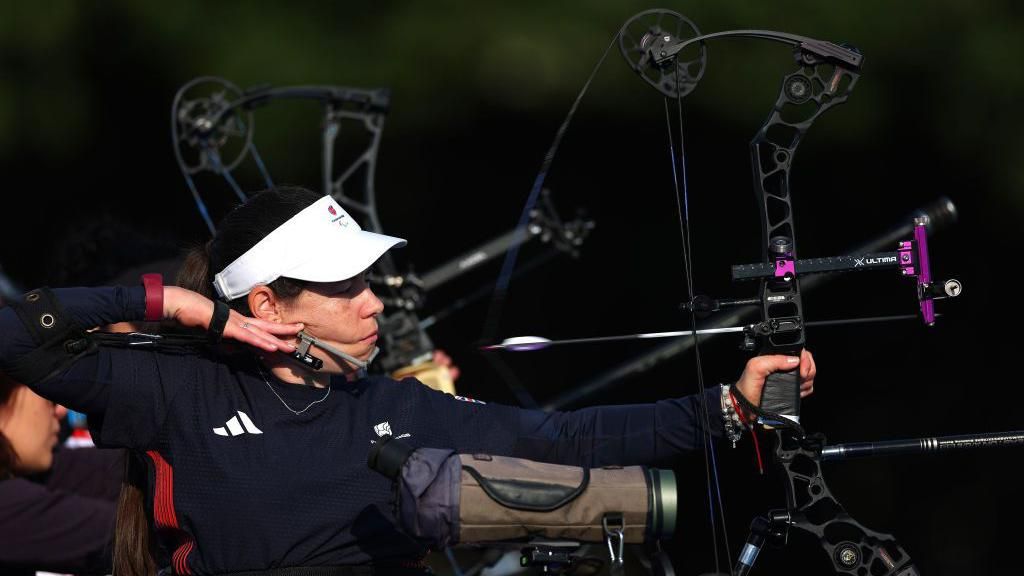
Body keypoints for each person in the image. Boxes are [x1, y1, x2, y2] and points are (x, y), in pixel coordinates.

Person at [0, 186, 815, 575]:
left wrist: (730, 405)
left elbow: (566, 439)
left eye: (369, 282)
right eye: (343, 286)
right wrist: (182, 307)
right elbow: (17, 336)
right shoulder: (178, 389)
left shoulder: (389, 408)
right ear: (267, 303)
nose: (371, 304)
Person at [0, 372, 122, 576]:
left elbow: (116, 471)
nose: (61, 410)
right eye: (45, 392)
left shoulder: (27, 471)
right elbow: (123, 535)